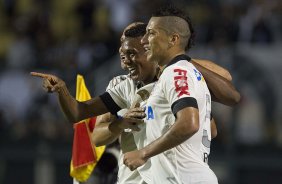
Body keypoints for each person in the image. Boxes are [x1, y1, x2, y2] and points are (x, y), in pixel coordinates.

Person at [31, 20, 239, 184]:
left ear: (151, 48)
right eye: (122, 52)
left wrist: (178, 60)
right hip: (134, 178)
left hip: (176, 175)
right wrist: (120, 123)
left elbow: (210, 126)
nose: (125, 59)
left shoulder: (178, 79)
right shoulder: (123, 85)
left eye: (132, 52)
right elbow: (92, 132)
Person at [122, 5, 229, 184]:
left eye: (151, 33)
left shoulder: (176, 72)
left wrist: (143, 153)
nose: (143, 40)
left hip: (182, 179)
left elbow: (190, 123)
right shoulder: (186, 73)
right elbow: (211, 129)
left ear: (173, 39)